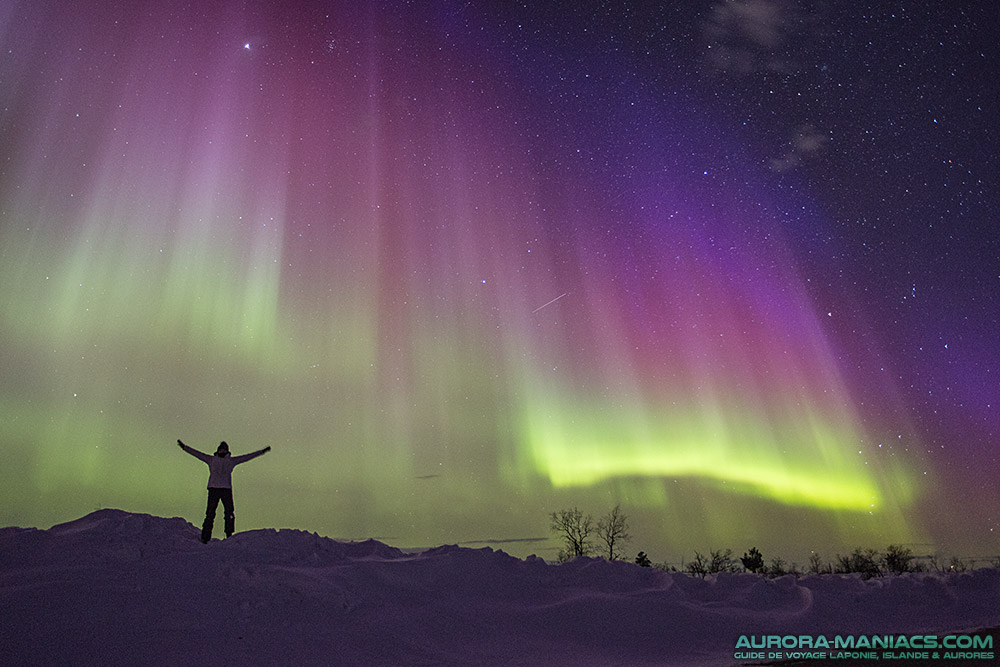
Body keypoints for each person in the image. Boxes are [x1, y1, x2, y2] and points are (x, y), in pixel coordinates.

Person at [177, 439, 271, 543]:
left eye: (224, 450)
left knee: (229, 513)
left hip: (226, 489)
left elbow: (246, 457)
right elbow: (197, 454)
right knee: (210, 514)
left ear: (227, 451)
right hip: (214, 489)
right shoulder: (212, 459)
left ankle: (229, 535)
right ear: (218, 450)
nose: (222, 451)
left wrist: (261, 452)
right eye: (221, 449)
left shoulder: (231, 461)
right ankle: (205, 537)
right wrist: (184, 447)